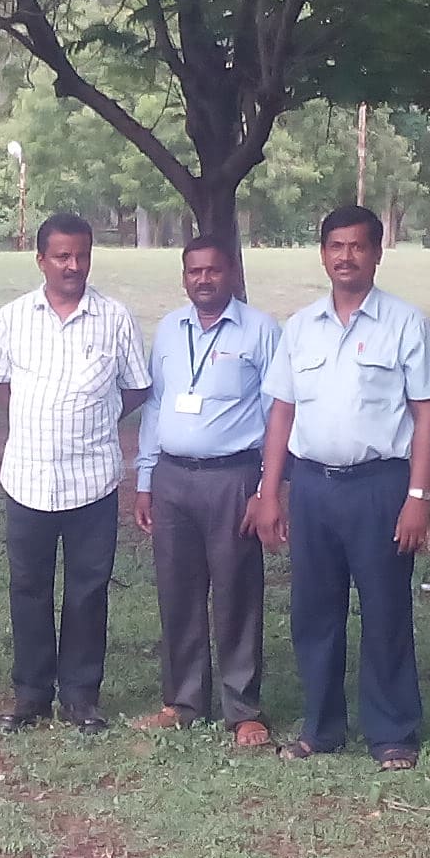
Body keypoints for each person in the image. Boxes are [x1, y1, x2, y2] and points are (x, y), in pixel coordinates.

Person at [254, 206, 430, 769]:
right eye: (335, 246)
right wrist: (270, 492)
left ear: (377, 253)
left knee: (385, 610)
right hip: (313, 486)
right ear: (322, 253)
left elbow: (427, 414)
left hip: (380, 488)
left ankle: (392, 732)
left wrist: (418, 498)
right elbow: (281, 414)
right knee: (314, 611)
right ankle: (321, 726)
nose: (346, 257)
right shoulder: (300, 327)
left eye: (358, 246)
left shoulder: (406, 324)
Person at [0, 213, 153, 735]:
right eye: (62, 256)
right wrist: (36, 424)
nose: (73, 265)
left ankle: (81, 695)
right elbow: (0, 384)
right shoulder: (13, 317)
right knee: (28, 587)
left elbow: (137, 388)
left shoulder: (115, 318)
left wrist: (94, 418)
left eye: (81, 255)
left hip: (93, 479)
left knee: (87, 589)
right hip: (27, 477)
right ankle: (31, 693)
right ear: (41, 260)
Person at [130, 238, 281, 746]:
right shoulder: (171, 330)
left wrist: (265, 489)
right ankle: (182, 700)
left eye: (213, 270)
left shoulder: (260, 331)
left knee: (237, 591)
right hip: (173, 477)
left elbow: (276, 414)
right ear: (184, 276)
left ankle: (243, 709)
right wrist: (146, 479)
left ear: (230, 273)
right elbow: (154, 406)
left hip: (232, 478)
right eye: (194, 271)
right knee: (178, 590)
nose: (203, 279)